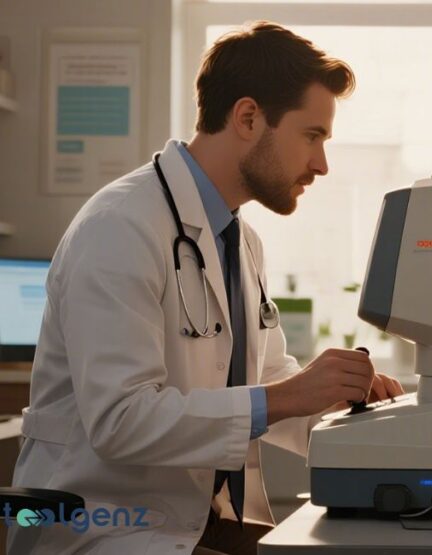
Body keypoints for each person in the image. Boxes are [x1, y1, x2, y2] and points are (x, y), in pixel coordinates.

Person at [10, 21, 404, 554]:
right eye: (312, 136)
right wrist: (288, 395)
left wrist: (344, 408)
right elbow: (121, 420)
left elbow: (265, 380)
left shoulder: (239, 240)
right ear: (247, 117)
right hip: (101, 525)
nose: (322, 165)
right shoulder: (119, 226)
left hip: (197, 520)